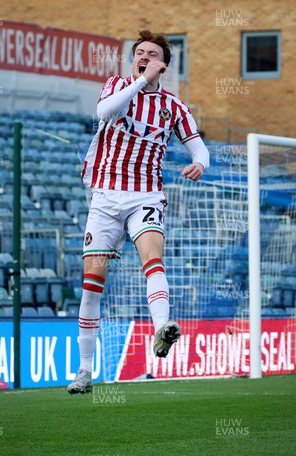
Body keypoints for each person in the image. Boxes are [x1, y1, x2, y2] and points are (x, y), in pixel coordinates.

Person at [67, 30, 210, 395]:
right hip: (105, 197)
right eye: (139, 53)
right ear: (134, 60)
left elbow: (200, 148)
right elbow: (104, 111)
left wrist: (200, 164)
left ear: (164, 64)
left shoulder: (174, 106)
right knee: (91, 286)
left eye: (152, 54)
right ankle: (84, 370)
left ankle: (163, 327)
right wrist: (141, 82)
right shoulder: (116, 85)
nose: (143, 56)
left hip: (145, 195)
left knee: (153, 259)